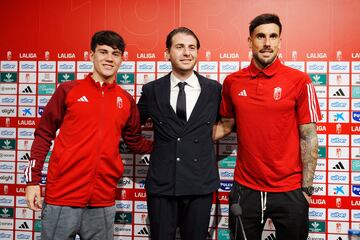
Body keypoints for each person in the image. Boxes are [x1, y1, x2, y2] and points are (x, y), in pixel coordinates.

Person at [24, 30, 153, 240]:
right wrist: (32, 182)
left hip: (102, 200)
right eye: (103, 52)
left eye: (115, 53)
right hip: (62, 197)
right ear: (91, 55)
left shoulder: (126, 100)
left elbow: (135, 142)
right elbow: (43, 134)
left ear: (122, 59)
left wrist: (172, 145)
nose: (109, 58)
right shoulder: (68, 90)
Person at [213, 14, 321, 240]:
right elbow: (225, 126)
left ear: (280, 41)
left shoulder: (300, 81)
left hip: (290, 190)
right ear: (250, 41)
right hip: (245, 189)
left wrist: (307, 190)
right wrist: (183, 139)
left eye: (273, 36)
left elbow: (309, 136)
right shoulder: (232, 81)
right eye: (260, 36)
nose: (267, 43)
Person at [137, 27, 222, 240]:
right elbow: (131, 127)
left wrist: (203, 136)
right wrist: (148, 147)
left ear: (198, 53)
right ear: (167, 53)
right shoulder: (151, 90)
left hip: (200, 184)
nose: (187, 53)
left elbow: (231, 123)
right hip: (162, 184)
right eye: (180, 47)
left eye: (192, 47)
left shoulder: (214, 90)